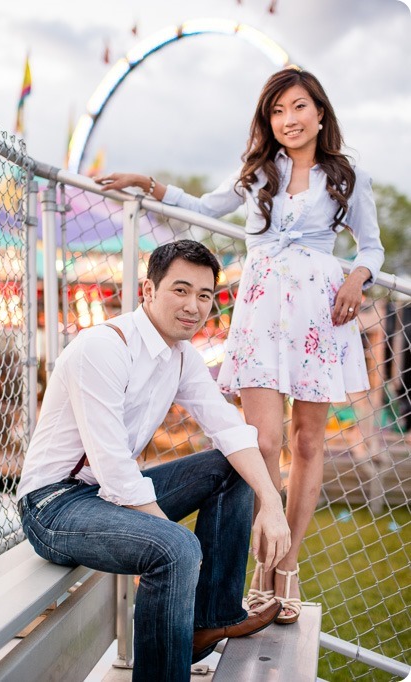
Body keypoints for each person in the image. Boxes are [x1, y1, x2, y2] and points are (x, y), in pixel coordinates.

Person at [94, 67, 384, 625]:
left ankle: (285, 570)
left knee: (306, 444)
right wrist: (148, 185)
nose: (288, 120)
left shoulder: (348, 177)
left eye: (298, 107)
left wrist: (356, 277)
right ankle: (260, 563)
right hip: (260, 319)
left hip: (318, 318)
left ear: (319, 113)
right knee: (262, 440)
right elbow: (205, 208)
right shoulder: (258, 173)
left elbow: (369, 246)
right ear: (268, 121)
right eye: (277, 111)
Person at [17, 240, 291, 682]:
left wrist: (272, 504)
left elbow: (231, 429)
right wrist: (163, 534)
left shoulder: (182, 357)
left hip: (103, 495)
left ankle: (210, 619)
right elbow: (113, 467)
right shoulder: (102, 348)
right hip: (54, 507)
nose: (194, 306)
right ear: (148, 290)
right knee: (177, 549)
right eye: (180, 290)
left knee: (233, 466)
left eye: (205, 295)